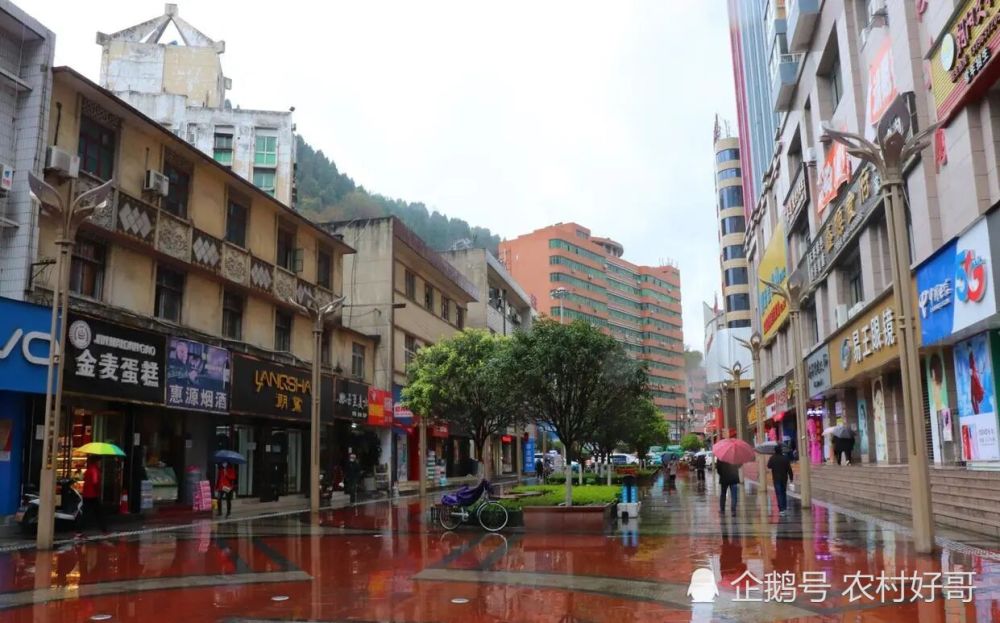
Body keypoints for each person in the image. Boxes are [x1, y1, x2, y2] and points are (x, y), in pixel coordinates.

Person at [80, 455, 106, 535]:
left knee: (86, 513)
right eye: (100, 461)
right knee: (99, 512)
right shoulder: (94, 470)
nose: (101, 463)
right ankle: (104, 530)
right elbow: (95, 482)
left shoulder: (88, 470)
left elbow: (84, 479)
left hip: (86, 494)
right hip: (93, 495)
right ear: (97, 461)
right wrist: (98, 490)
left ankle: (79, 532)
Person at [766, 445, 794, 515]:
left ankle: (781, 509)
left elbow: (769, 466)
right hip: (784, 478)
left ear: (775, 451)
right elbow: (789, 469)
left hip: (776, 479)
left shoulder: (772, 458)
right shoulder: (785, 458)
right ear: (781, 450)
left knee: (778, 494)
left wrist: (771, 459)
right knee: (783, 493)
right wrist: (791, 478)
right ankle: (784, 507)